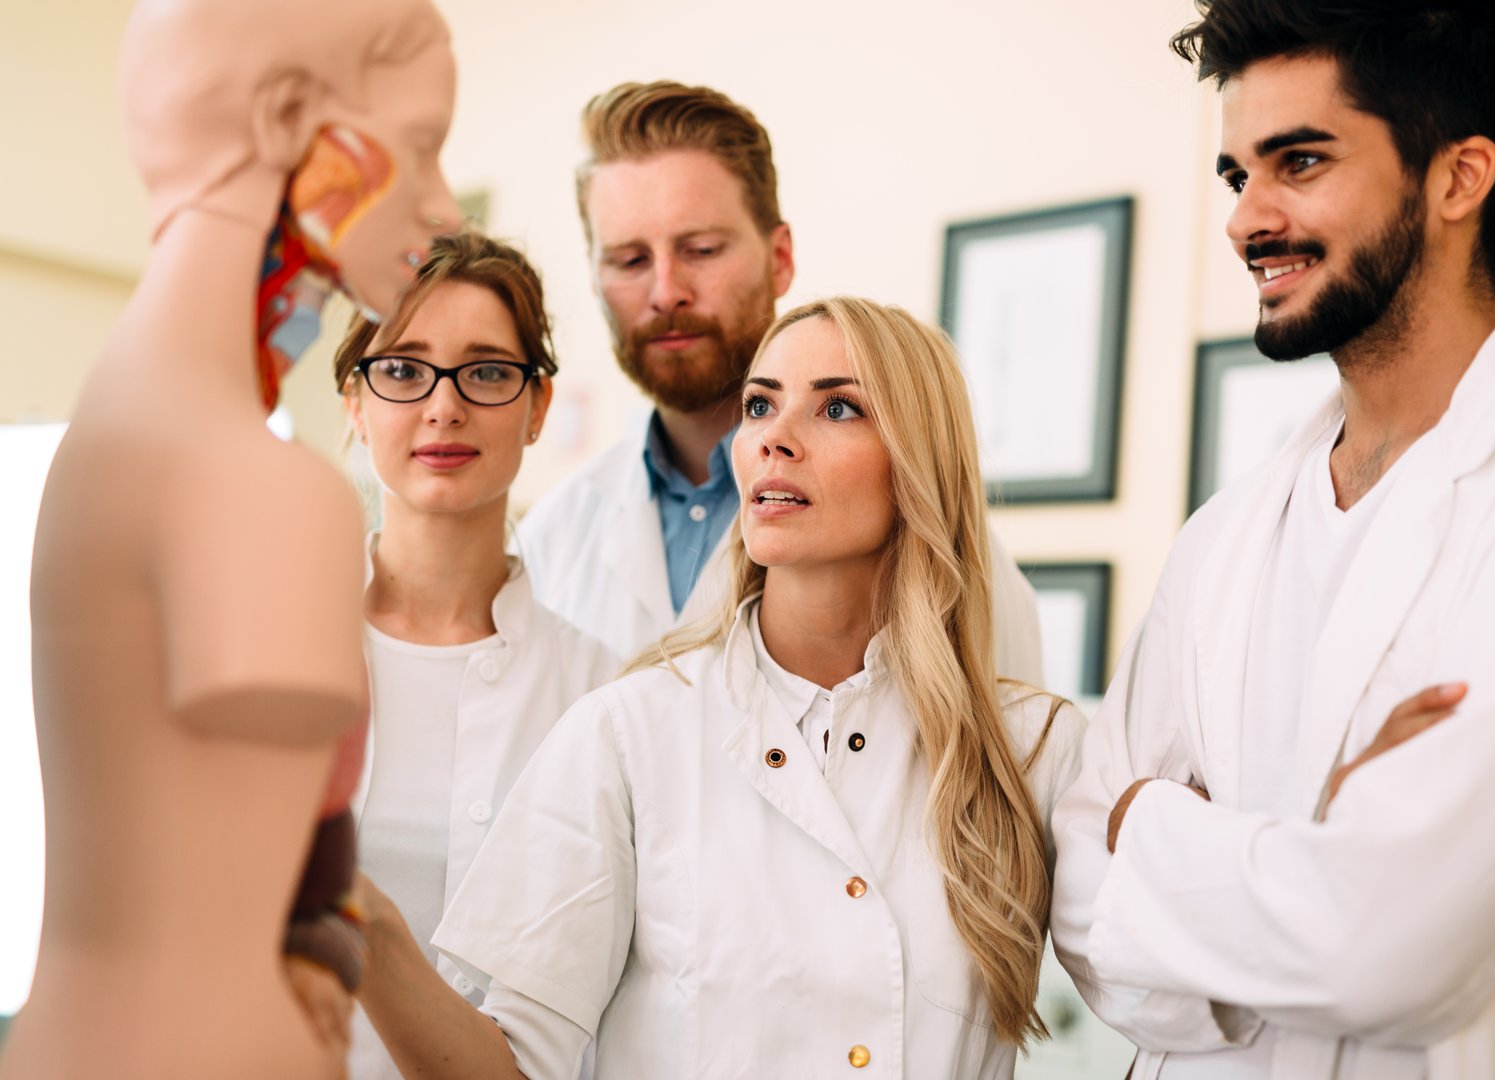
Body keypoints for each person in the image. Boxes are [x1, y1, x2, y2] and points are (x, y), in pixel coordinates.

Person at [1049, 2, 1495, 1078]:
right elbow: (1079, 911)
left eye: (1299, 162)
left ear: (1459, 178)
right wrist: (1319, 842)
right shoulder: (1222, 538)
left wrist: (1151, 829)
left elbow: (1388, 947)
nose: (1243, 220)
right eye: (1237, 175)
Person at [356, 297, 1087, 1077]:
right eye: (760, 406)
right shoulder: (627, 733)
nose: (774, 437)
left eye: (838, 407)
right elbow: (511, 1066)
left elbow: (1166, 1002)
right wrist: (368, 931)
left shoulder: (1034, 750)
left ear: (920, 462)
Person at [0, 1, 461, 1078]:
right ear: (288, 116)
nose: (444, 204)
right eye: (423, 144)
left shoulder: (98, 447)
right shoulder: (263, 489)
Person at [514, 81, 1045, 682]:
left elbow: (993, 735)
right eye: (630, 260)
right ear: (594, 280)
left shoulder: (942, 555)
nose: (665, 292)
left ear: (780, 258)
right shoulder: (551, 542)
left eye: (701, 249)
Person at [329, 231, 620, 1078]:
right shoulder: (276, 650)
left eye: (487, 372)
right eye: (403, 368)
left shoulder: (602, 695)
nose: (443, 407)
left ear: (538, 406)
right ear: (355, 403)